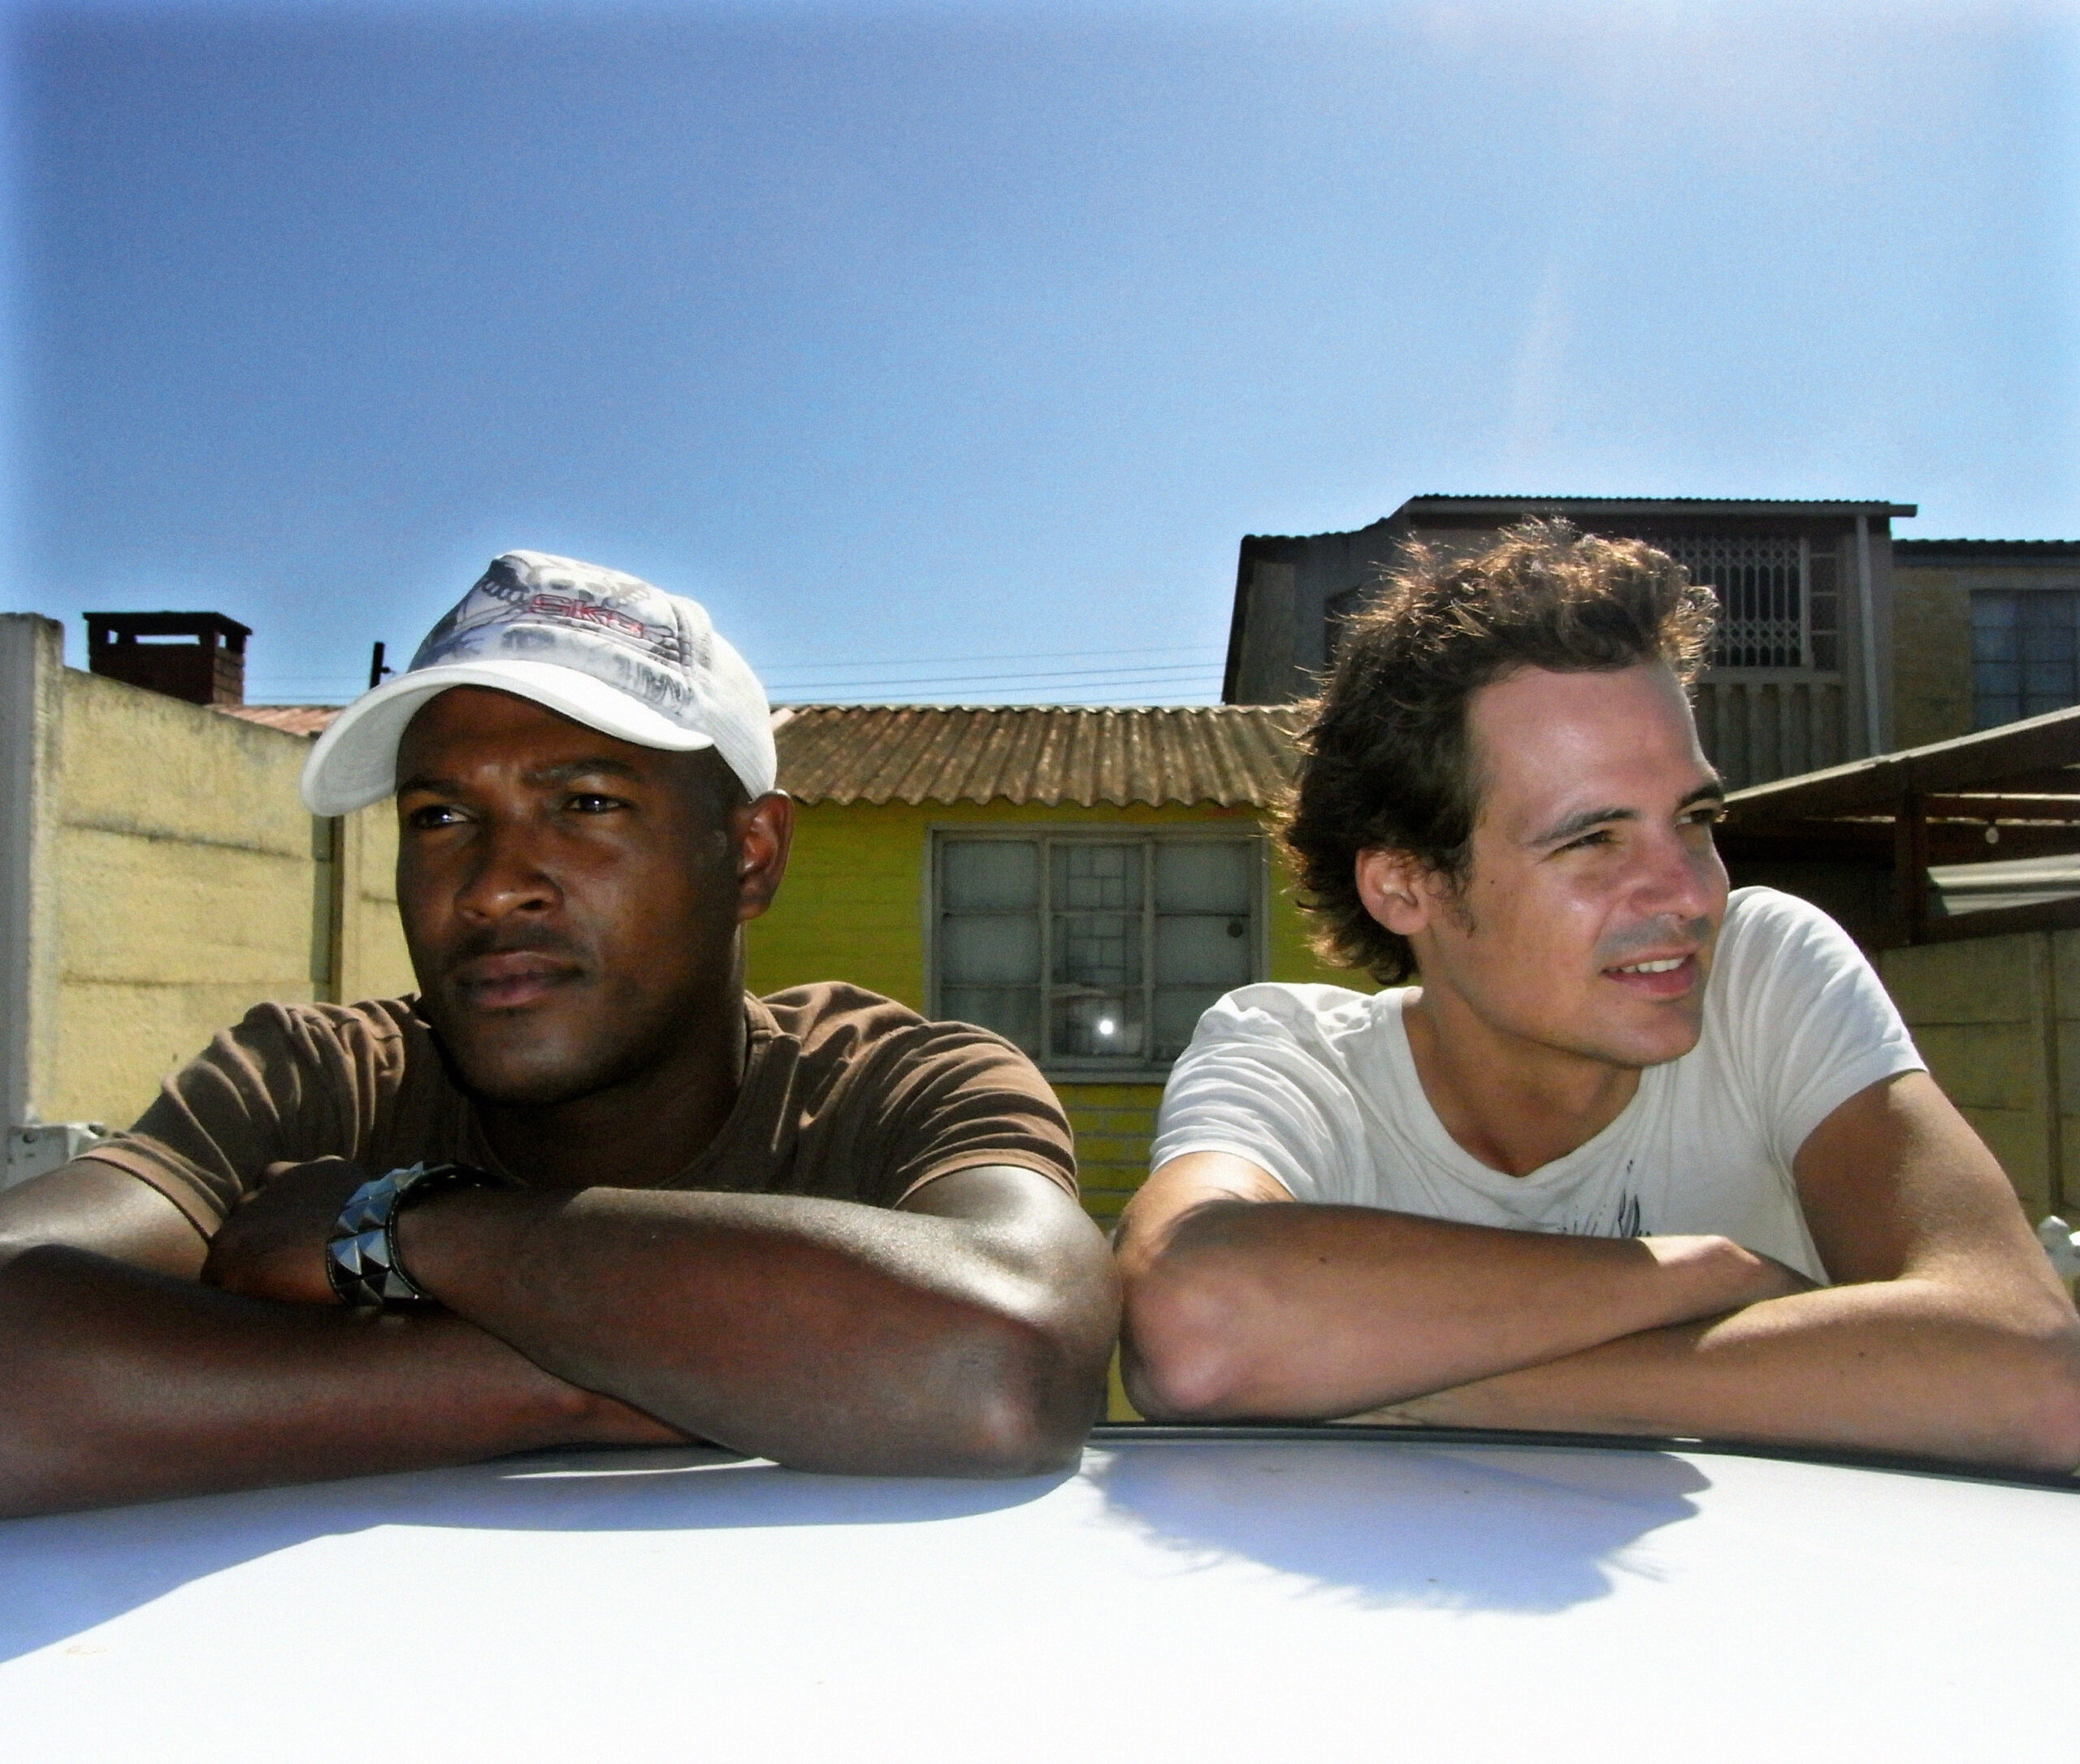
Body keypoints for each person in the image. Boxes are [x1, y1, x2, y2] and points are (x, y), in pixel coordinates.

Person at [0, 551, 1117, 1516]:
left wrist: (406, 1229)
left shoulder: (896, 1088)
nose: (493, 885)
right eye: (441, 816)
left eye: (586, 803)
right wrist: (592, 1380)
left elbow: (1006, 1369)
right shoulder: (314, 1081)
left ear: (749, 857)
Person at [1117, 521, 2080, 1470]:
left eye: (1693, 819)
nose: (1690, 893)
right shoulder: (1294, 1059)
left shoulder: (1762, 974)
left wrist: (1412, 1391)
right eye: (1591, 839)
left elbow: (2037, 1373)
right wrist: (1700, 1273)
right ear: (1405, 884)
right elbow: (1195, 1325)